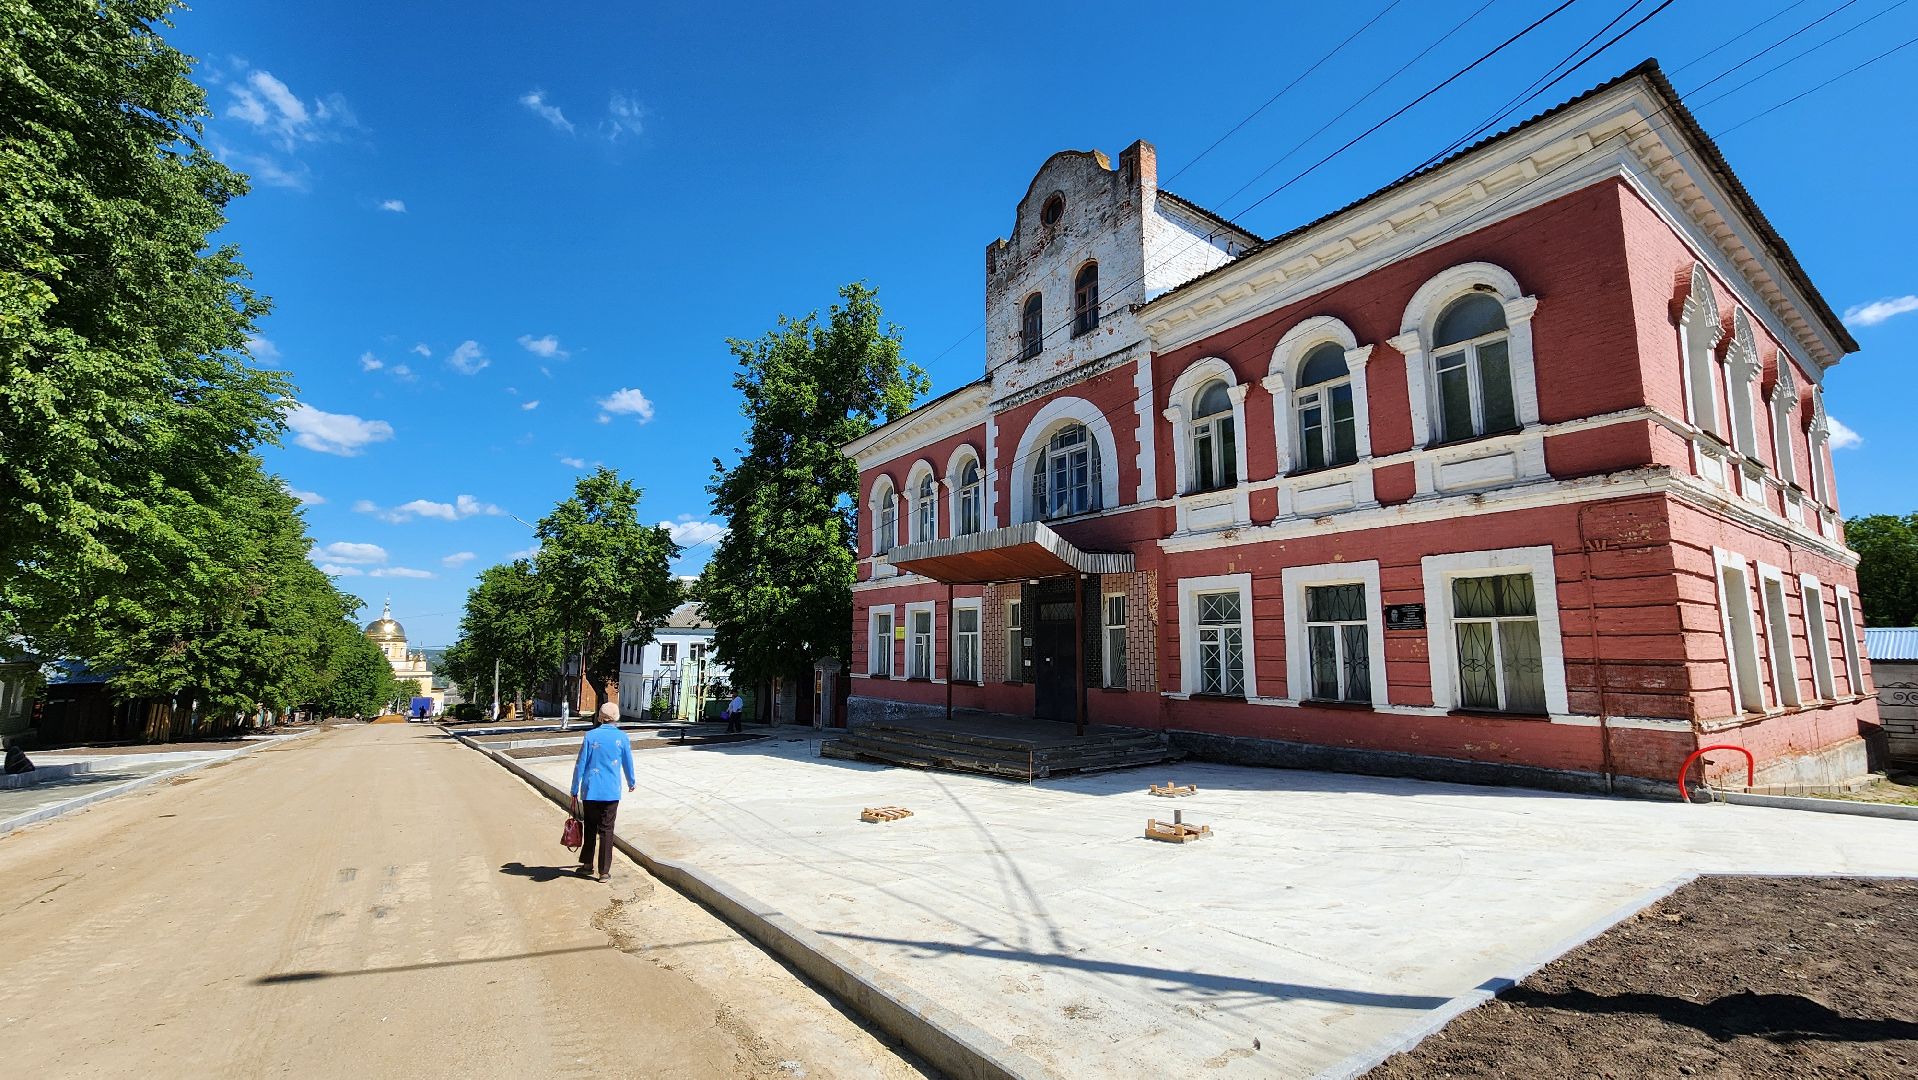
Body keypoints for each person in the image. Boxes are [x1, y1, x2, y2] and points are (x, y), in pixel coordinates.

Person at [569, 703, 634, 882]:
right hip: (612, 791)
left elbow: (580, 764)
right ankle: (604, 872)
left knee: (590, 827)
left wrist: (574, 788)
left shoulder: (590, 736)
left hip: (591, 791)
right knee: (607, 829)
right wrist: (631, 781)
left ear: (599, 717)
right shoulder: (622, 737)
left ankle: (587, 865)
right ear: (617, 717)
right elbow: (628, 762)